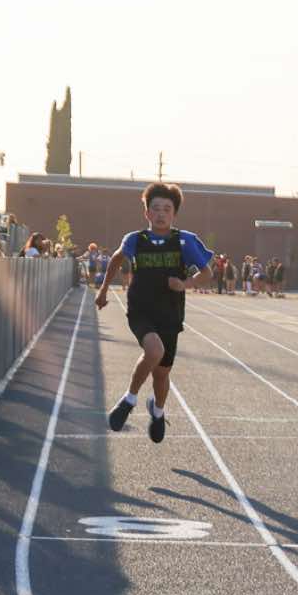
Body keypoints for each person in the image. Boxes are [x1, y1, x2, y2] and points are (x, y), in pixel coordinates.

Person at [95, 182, 215, 443]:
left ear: (174, 214)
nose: (161, 214)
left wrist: (185, 284)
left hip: (170, 314)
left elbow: (207, 272)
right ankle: (129, 399)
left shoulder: (184, 241)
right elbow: (116, 259)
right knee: (154, 350)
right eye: (156, 208)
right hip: (141, 309)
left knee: (161, 374)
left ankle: (158, 411)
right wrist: (103, 290)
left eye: (167, 209)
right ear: (147, 212)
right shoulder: (135, 240)